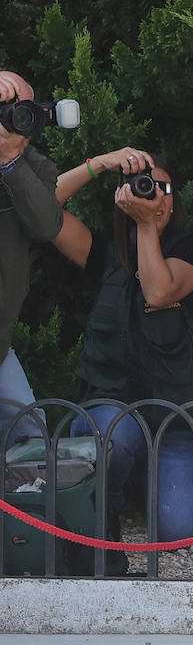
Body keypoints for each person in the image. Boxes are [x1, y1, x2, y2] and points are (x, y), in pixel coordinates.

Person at [54, 145, 193, 568]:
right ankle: (102, 524)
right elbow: (41, 209)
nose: (154, 196)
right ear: (123, 197)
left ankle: (144, 483)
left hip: (175, 417)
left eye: (163, 188)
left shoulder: (190, 248)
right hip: (113, 408)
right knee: (113, 437)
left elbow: (158, 291)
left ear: (175, 199)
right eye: (143, 186)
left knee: (182, 530)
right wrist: (99, 164)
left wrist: (146, 226)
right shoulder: (107, 254)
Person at [0, 69, 64, 444]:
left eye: (19, 109)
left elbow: (46, 226)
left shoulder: (36, 168)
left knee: (31, 434)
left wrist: (11, 162)